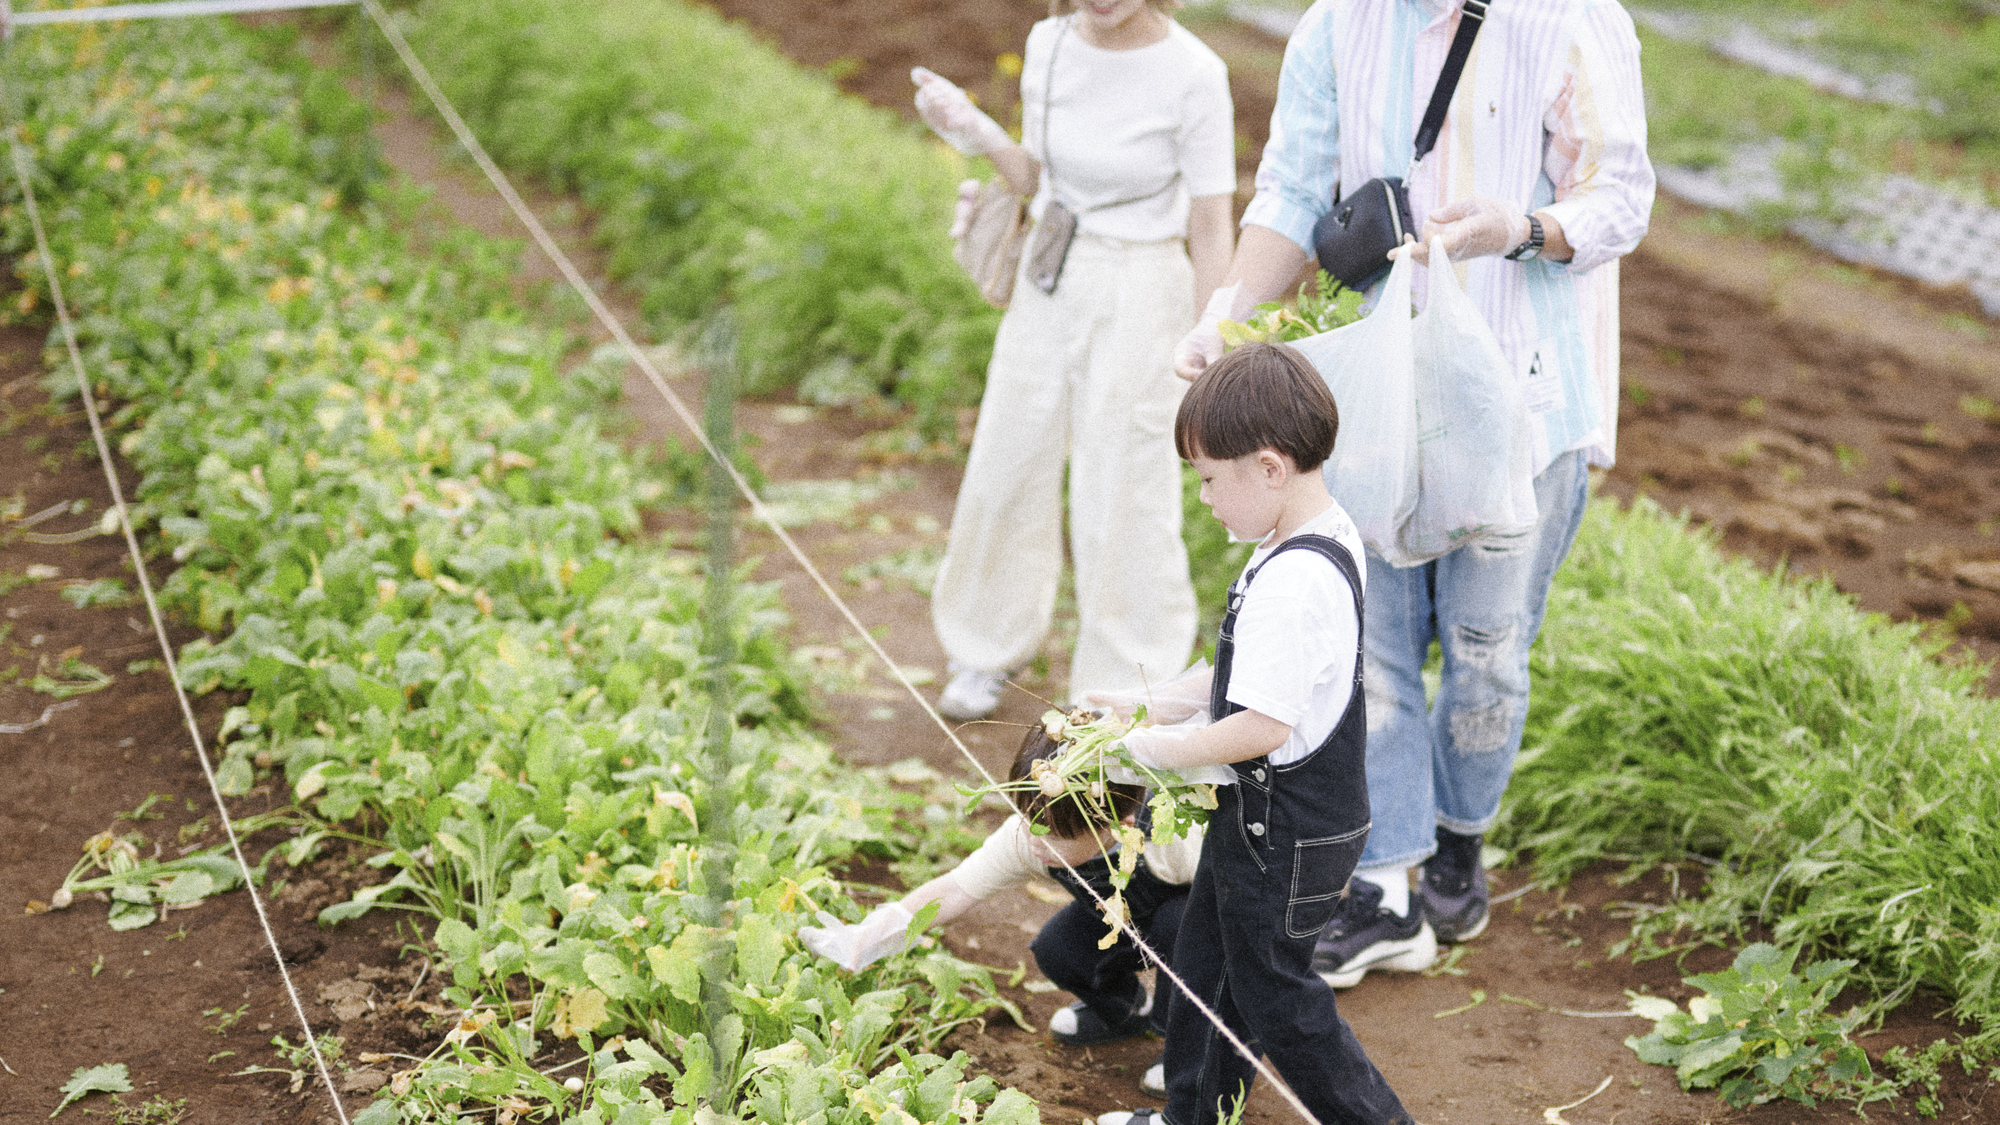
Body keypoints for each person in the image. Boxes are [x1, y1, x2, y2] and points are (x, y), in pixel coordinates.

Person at [1174, 0, 1655, 988]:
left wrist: (1517, 228)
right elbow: (1290, 190)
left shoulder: (1567, 18)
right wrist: (1226, 317)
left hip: (1522, 398)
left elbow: (1620, 195)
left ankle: (1456, 837)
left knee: (1486, 657)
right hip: (1377, 396)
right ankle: (1384, 888)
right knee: (1373, 656)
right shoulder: (1337, 23)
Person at [1097, 343, 1412, 1125]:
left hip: (1289, 833)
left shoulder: (1295, 581)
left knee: (1277, 996)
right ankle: (1192, 1114)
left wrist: (1150, 753)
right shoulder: (1303, 536)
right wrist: (1146, 704)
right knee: (1207, 967)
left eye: (1208, 478)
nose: (1204, 497)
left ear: (1269, 467)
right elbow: (1244, 675)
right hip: (1261, 820)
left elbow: (1262, 724)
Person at [909, 0, 1237, 721]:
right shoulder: (1049, 42)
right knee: (1008, 454)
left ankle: (1124, 684)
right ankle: (984, 645)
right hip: (1051, 268)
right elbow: (1035, 179)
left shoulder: (1195, 72)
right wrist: (974, 130)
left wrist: (1211, 335)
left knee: (1125, 483)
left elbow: (1212, 222)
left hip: (1143, 280)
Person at [799, 725, 1202, 1097]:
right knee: (1057, 949)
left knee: (1180, 926)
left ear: (1117, 828)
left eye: (1054, 835)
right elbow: (953, 890)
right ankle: (1126, 1011)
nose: (1035, 840)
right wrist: (867, 936)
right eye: (1028, 818)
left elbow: (1224, 916)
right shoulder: (1032, 836)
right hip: (1120, 920)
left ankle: (1191, 1055)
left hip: (1195, 923)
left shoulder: (1173, 841)